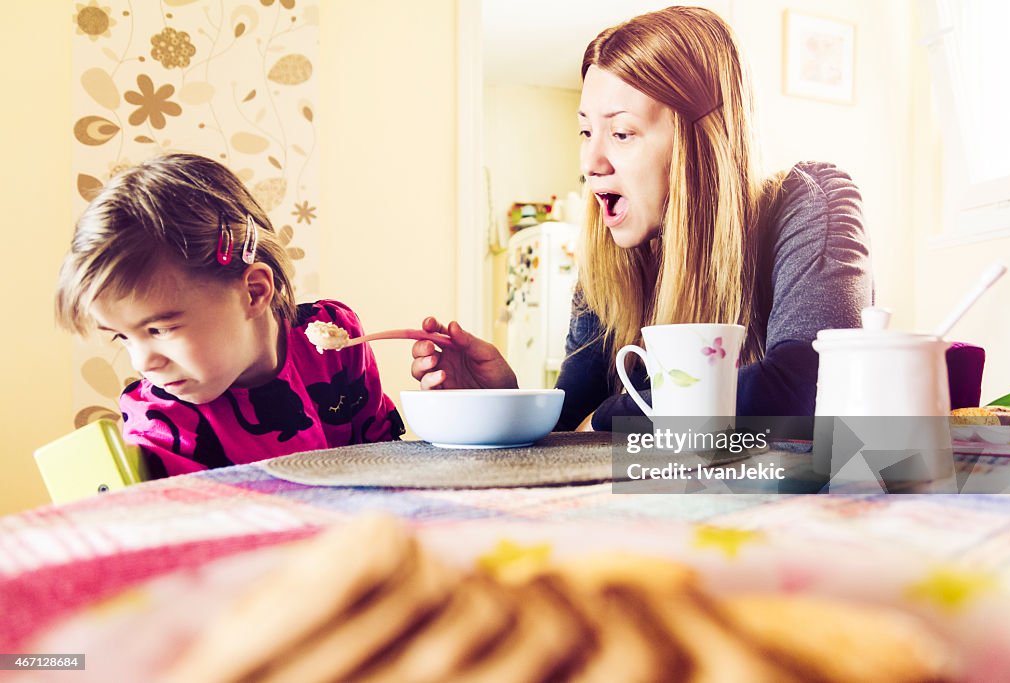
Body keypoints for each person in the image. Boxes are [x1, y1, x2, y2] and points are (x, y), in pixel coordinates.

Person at [411, 6, 871, 432]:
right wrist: (504, 405)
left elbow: (804, 389)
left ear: (701, 141)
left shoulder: (811, 203)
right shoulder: (614, 254)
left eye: (622, 132)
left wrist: (611, 414)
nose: (590, 161)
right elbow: (570, 414)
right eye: (586, 130)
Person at [55, 153, 404, 477]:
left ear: (253, 292)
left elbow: (390, 459)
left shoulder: (332, 341)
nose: (143, 363)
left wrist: (452, 400)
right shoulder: (161, 422)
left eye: (161, 329)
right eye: (123, 337)